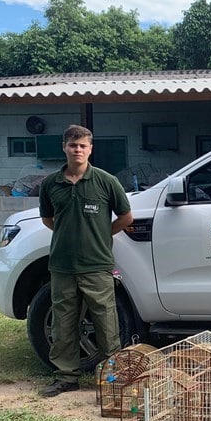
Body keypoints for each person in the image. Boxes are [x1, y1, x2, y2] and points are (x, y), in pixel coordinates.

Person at [38, 125, 133, 397]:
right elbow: (48, 219)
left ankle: (113, 379)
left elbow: (126, 218)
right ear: (64, 147)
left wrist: (102, 234)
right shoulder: (50, 184)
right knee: (63, 324)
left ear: (90, 149)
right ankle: (66, 377)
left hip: (97, 265)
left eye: (82, 145)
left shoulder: (106, 181)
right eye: (72, 145)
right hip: (63, 266)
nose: (77, 150)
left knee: (106, 324)